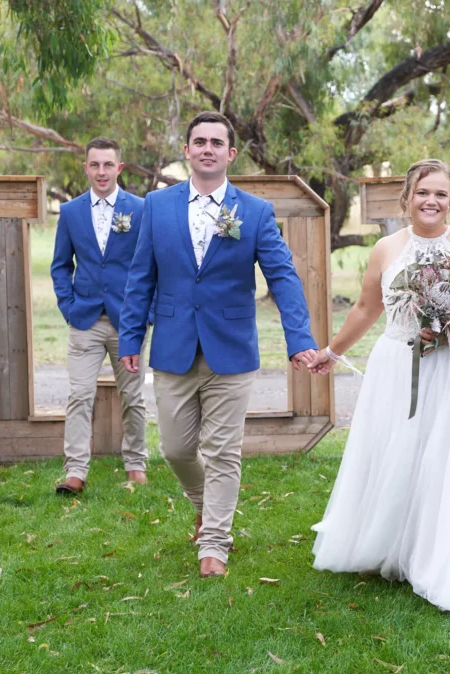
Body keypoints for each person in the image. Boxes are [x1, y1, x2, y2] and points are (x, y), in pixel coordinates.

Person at [306, 159, 450, 615]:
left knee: (445, 452)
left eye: (441, 194)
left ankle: (438, 543)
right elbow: (366, 307)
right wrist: (333, 350)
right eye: (424, 192)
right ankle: (385, 538)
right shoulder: (386, 248)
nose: (432, 201)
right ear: (407, 197)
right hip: (398, 363)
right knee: (394, 450)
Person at [117, 112, 318, 578]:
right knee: (176, 448)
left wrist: (299, 339)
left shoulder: (255, 212)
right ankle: (205, 506)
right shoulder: (156, 206)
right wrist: (131, 336)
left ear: (230, 154)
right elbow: (140, 278)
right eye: (198, 141)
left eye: (216, 142)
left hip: (232, 348)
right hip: (173, 347)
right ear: (186, 151)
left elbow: (283, 278)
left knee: (224, 450)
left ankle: (215, 544)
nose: (207, 148)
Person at [50, 137, 151, 495]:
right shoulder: (71, 212)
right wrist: (69, 306)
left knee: (132, 397)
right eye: (95, 165)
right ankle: (75, 471)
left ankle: (136, 463)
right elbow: (60, 266)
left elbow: (153, 266)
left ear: (119, 168)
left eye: (108, 165)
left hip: (129, 322)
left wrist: (145, 316)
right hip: (86, 320)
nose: (102, 171)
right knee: (79, 395)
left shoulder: (140, 210)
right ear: (86, 169)